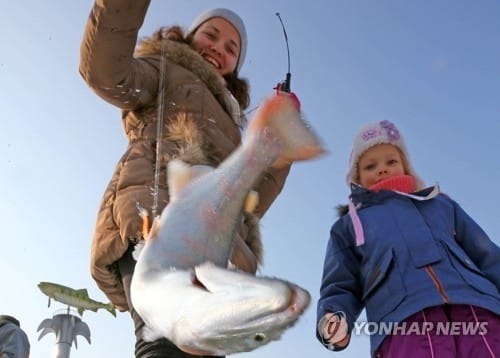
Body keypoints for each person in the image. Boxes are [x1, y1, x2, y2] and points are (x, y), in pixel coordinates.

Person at [79, 1, 293, 357]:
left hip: (216, 251)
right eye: (211, 34)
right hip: (159, 221)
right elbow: (106, 73)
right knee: (165, 340)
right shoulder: (164, 70)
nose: (218, 49)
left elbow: (252, 198)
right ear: (188, 37)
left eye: (231, 49)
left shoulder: (233, 123)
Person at [316, 120, 500, 357]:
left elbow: (485, 252)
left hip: (477, 306)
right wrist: (334, 316)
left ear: (405, 165)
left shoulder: (441, 204)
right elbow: (340, 283)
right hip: (402, 320)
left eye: (391, 161)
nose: (382, 169)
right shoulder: (350, 226)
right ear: (357, 178)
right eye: (371, 166)